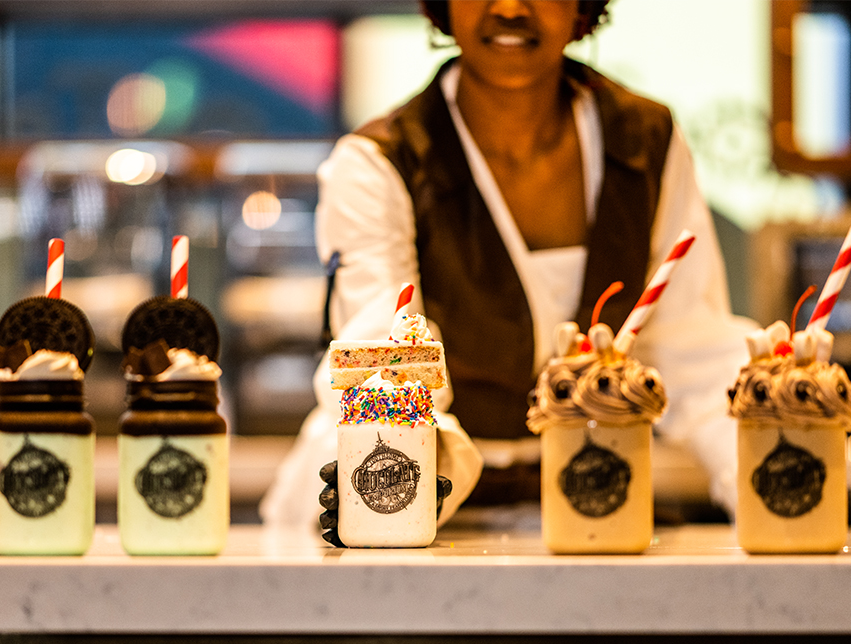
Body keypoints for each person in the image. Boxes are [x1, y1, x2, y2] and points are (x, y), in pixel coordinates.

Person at [260, 0, 755, 531]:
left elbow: (694, 356)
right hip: (425, 494)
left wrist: (761, 476)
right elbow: (388, 371)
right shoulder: (379, 161)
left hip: (590, 502)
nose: (510, 8)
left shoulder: (644, 140)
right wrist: (416, 482)